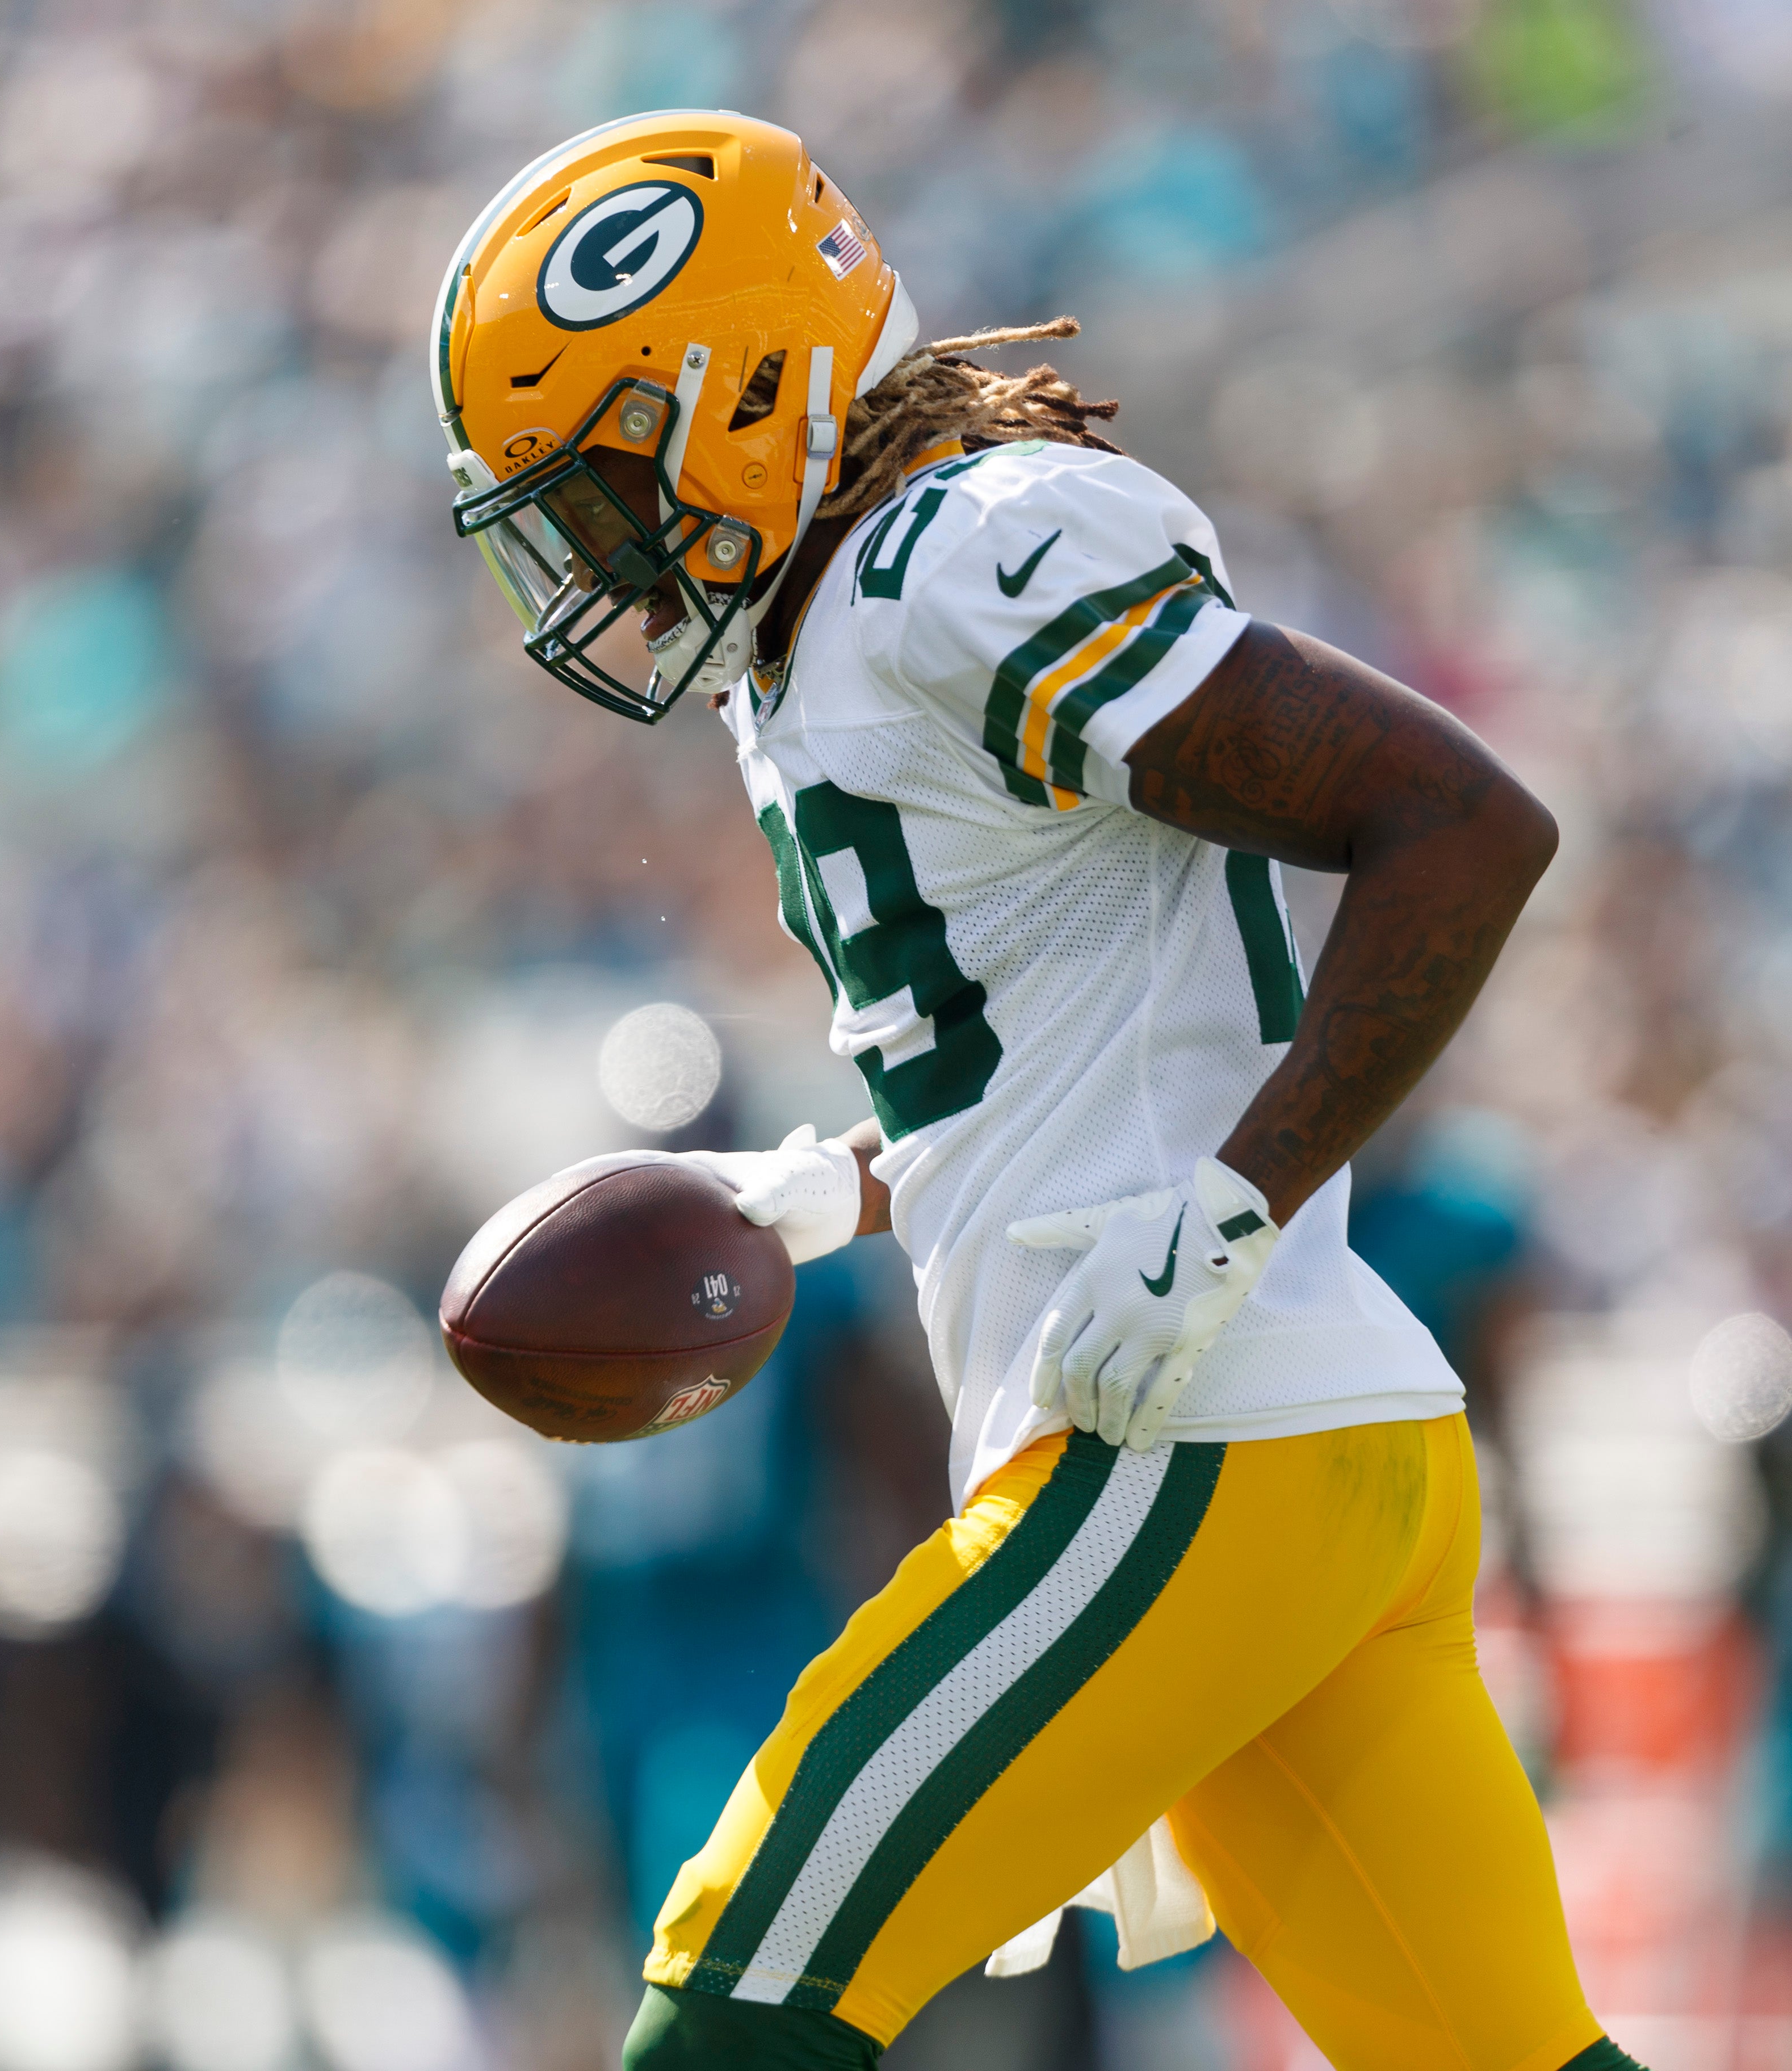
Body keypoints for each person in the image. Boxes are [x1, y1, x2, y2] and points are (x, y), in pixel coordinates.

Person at [427, 111, 1636, 2071]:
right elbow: (1094, 1026)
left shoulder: (961, 557)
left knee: (742, 1991)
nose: (605, 561)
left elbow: (1460, 822)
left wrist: (1236, 1202)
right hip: (1318, 1447)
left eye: (612, 489)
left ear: (739, 388)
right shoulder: (839, 623)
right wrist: (855, 1182)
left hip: (1188, 1446)